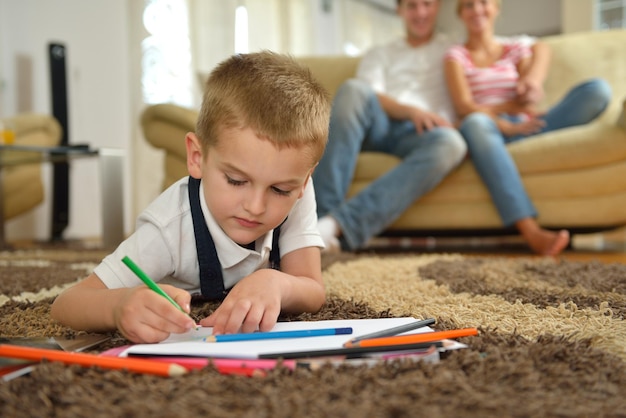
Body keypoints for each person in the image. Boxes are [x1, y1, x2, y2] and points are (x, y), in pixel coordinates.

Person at [51, 51, 331, 343]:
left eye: (279, 190)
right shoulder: (168, 228)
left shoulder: (296, 187)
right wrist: (119, 306)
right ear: (197, 157)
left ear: (303, 181)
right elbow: (66, 304)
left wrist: (276, 284)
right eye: (236, 180)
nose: (255, 206)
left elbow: (312, 287)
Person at [313, 0, 540, 252]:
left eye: (426, 4)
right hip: (379, 125)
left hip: (427, 134)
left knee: (453, 144)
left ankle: (335, 226)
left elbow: (532, 45)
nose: (420, 13)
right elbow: (371, 94)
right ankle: (316, 222)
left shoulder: (453, 48)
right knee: (353, 89)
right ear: (399, 10)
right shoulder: (380, 53)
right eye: (411, 6)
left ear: (438, 7)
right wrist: (412, 111)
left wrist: (531, 79)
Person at [444, 0, 612, 255]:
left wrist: (531, 86)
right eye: (468, 5)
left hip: (527, 127)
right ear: (460, 14)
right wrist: (503, 119)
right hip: (486, 131)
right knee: (476, 122)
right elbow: (465, 106)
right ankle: (531, 232)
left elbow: (526, 98)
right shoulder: (455, 56)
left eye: (483, 3)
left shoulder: (515, 49)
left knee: (597, 90)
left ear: (496, 9)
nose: (477, 9)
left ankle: (510, 143)